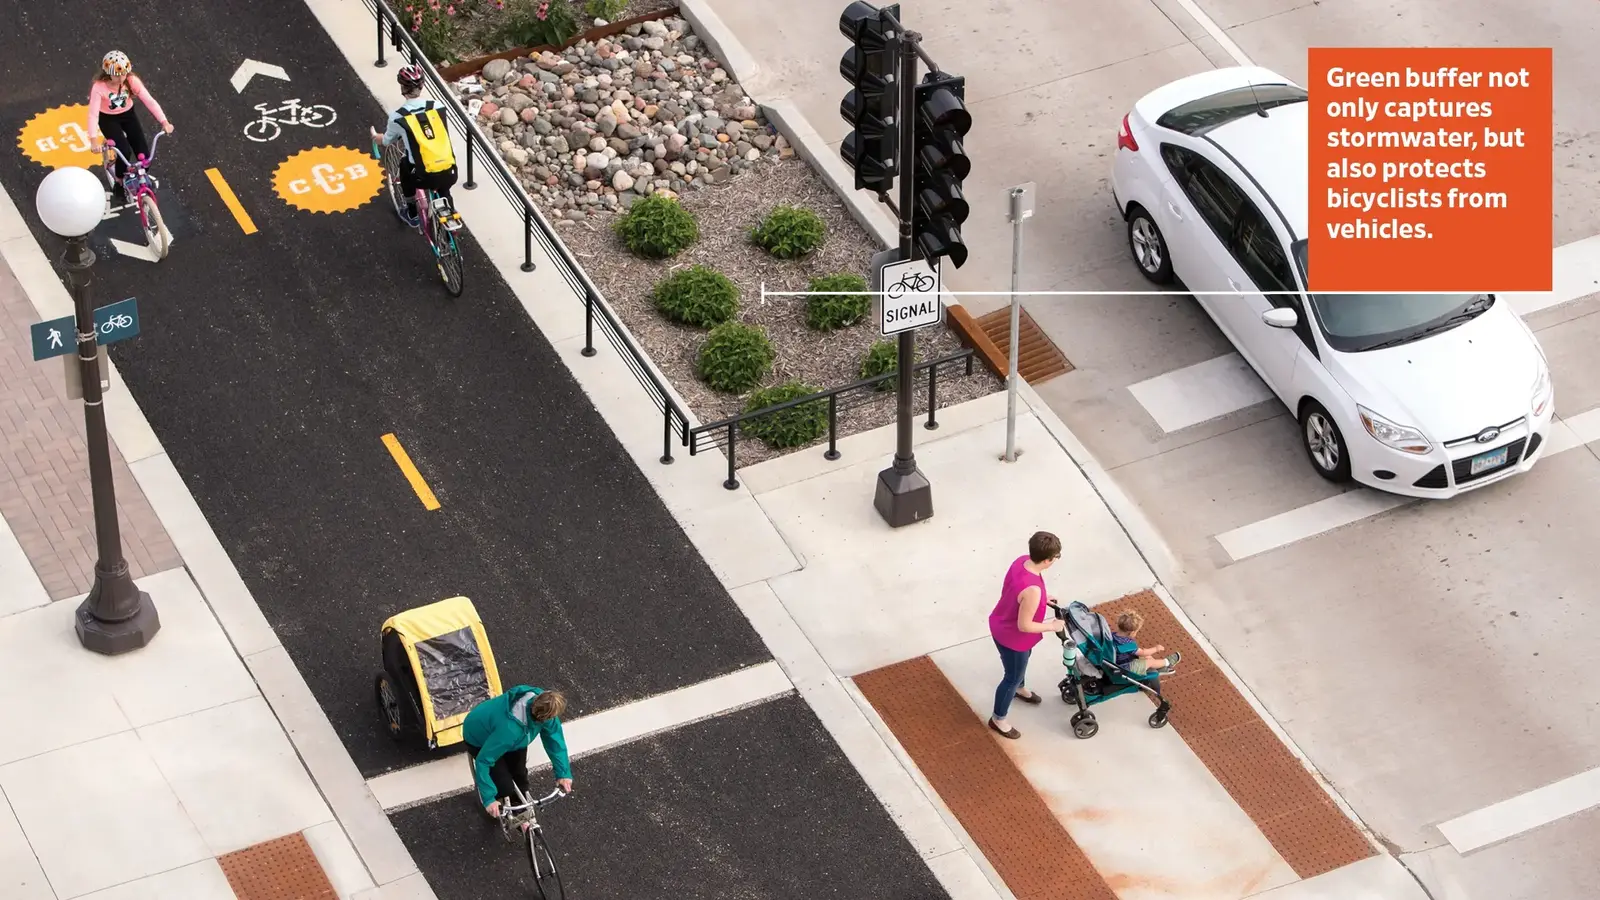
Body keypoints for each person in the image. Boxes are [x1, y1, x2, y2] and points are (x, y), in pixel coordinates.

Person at [986, 531, 1066, 740]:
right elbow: (1024, 625)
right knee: (1011, 678)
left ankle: (1020, 688)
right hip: (1013, 639)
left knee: (1020, 666)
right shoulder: (1032, 590)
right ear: (1047, 560)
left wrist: (1042, 599)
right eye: (1056, 557)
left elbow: (1016, 592)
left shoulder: (1021, 562)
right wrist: (1052, 626)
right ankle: (998, 719)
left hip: (1001, 623)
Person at [463, 685, 573, 829]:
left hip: (514, 738)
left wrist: (563, 773)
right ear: (541, 719)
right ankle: (511, 813)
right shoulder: (509, 729)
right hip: (479, 738)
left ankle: (519, 816)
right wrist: (488, 798)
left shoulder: (544, 701)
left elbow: (554, 740)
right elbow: (483, 761)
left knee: (520, 776)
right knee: (505, 786)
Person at [369, 64, 461, 228]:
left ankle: (412, 213)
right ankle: (449, 214)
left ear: (402, 87)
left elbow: (386, 141)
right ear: (422, 85)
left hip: (423, 176)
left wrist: (376, 138)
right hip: (451, 171)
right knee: (443, 185)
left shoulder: (398, 118)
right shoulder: (438, 106)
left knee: (405, 167)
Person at [88, 51, 175, 203]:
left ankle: (138, 178)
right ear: (107, 73)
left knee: (144, 156)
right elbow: (93, 114)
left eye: (124, 74)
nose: (121, 78)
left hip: (128, 116)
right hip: (108, 119)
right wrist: (93, 140)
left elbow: (149, 101)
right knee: (124, 151)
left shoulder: (131, 81)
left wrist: (164, 122)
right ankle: (119, 181)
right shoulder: (99, 88)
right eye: (116, 75)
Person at [1111, 610, 1181, 676]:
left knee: (1147, 657)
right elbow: (1143, 652)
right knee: (1149, 660)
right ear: (1132, 632)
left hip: (1115, 661)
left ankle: (1158, 667)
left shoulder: (1111, 636)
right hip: (1124, 668)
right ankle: (1167, 662)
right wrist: (1156, 649)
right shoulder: (1127, 644)